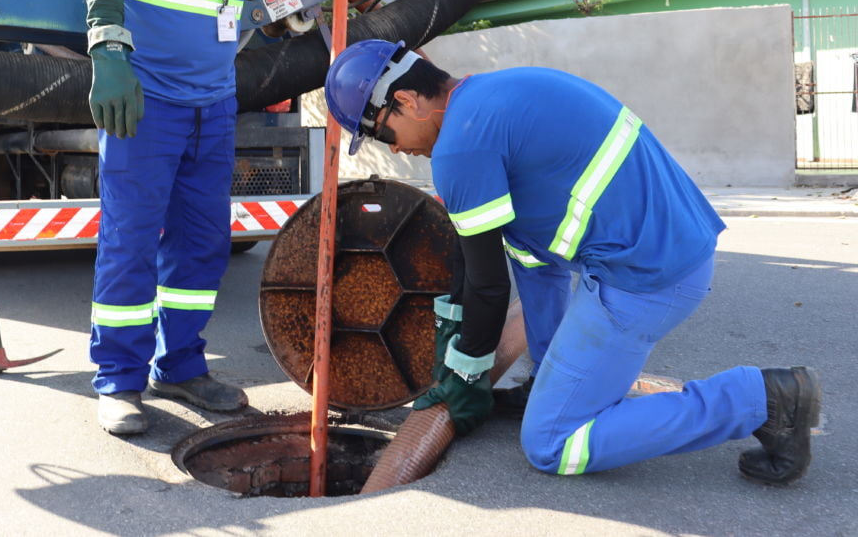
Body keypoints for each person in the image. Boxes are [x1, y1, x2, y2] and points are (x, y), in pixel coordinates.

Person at [322, 39, 822, 485]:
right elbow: (535, 264)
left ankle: (760, 400)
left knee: (553, 443)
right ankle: (556, 383)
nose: (399, 151)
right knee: (546, 328)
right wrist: (546, 373)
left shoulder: (460, 145)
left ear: (406, 102)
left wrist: (467, 373)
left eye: (385, 136)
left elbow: (488, 284)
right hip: (671, 249)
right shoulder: (498, 93)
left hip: (647, 279)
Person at [83, 0, 364, 435]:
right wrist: (107, 52)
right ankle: (119, 381)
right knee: (130, 238)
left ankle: (180, 364)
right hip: (146, 99)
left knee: (203, 242)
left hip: (212, 103)